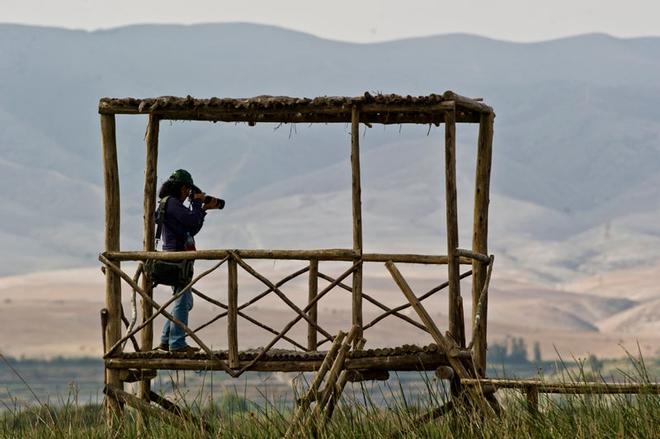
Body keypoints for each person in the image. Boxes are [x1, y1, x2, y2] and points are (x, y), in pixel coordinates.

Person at [155, 169, 221, 353]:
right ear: (182, 188)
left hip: (177, 256)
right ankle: (176, 343)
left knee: (183, 300)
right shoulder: (173, 203)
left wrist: (200, 210)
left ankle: (165, 340)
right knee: (182, 301)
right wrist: (199, 204)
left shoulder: (169, 203)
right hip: (177, 258)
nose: (188, 195)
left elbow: (191, 228)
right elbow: (192, 222)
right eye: (187, 191)